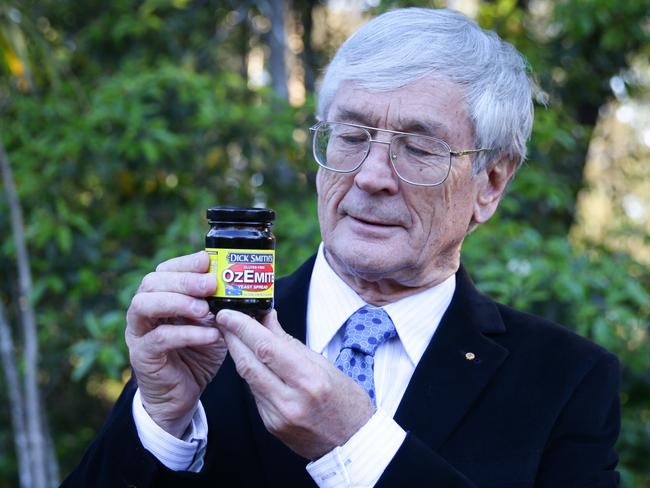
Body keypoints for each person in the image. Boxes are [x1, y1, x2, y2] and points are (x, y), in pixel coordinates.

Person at [63, 7, 620, 487]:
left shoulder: (568, 379)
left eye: (419, 148)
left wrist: (356, 446)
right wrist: (158, 422)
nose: (371, 176)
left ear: (491, 183)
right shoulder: (203, 338)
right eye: (351, 137)